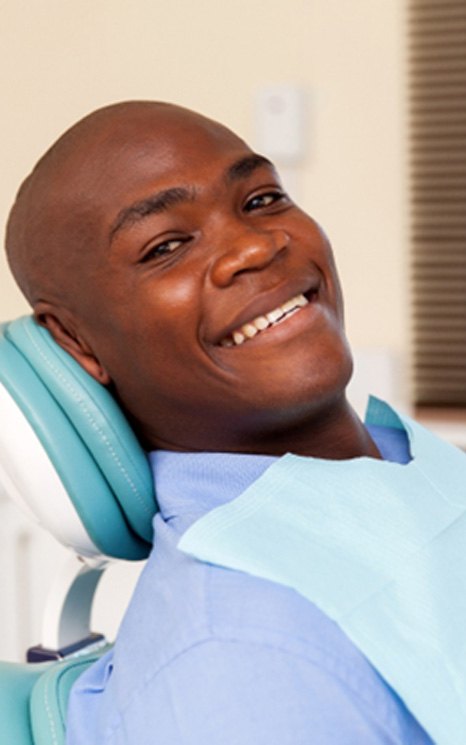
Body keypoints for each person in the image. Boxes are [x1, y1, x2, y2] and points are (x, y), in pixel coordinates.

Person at [5, 101, 433, 744]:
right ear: (77, 343)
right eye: (167, 246)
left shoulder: (406, 460)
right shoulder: (242, 658)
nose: (256, 246)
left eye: (261, 199)